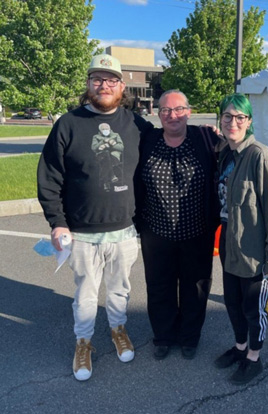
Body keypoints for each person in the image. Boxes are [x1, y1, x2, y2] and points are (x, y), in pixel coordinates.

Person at [134, 90, 268, 361]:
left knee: (196, 286)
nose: (172, 115)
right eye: (165, 110)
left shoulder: (206, 138)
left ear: (189, 112)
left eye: (178, 109)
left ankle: (189, 338)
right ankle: (164, 336)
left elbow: (244, 148)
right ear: (157, 113)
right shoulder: (148, 139)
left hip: (197, 231)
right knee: (159, 286)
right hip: (156, 231)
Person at [37, 54, 153, 381]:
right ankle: (84, 342)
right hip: (82, 233)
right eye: (97, 79)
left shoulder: (136, 125)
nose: (104, 85)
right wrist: (57, 221)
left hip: (125, 232)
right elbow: (49, 176)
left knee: (120, 291)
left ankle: (118, 329)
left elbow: (171, 144)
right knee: (86, 294)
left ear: (122, 86)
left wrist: (219, 145)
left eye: (111, 80)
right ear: (89, 84)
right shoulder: (68, 124)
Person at [214, 93, 268, 385]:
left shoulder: (259, 155)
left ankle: (254, 358)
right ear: (220, 120)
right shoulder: (225, 153)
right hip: (230, 247)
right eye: (227, 116)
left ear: (249, 122)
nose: (233, 122)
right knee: (232, 303)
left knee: (253, 308)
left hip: (254, 252)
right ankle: (240, 347)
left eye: (239, 117)